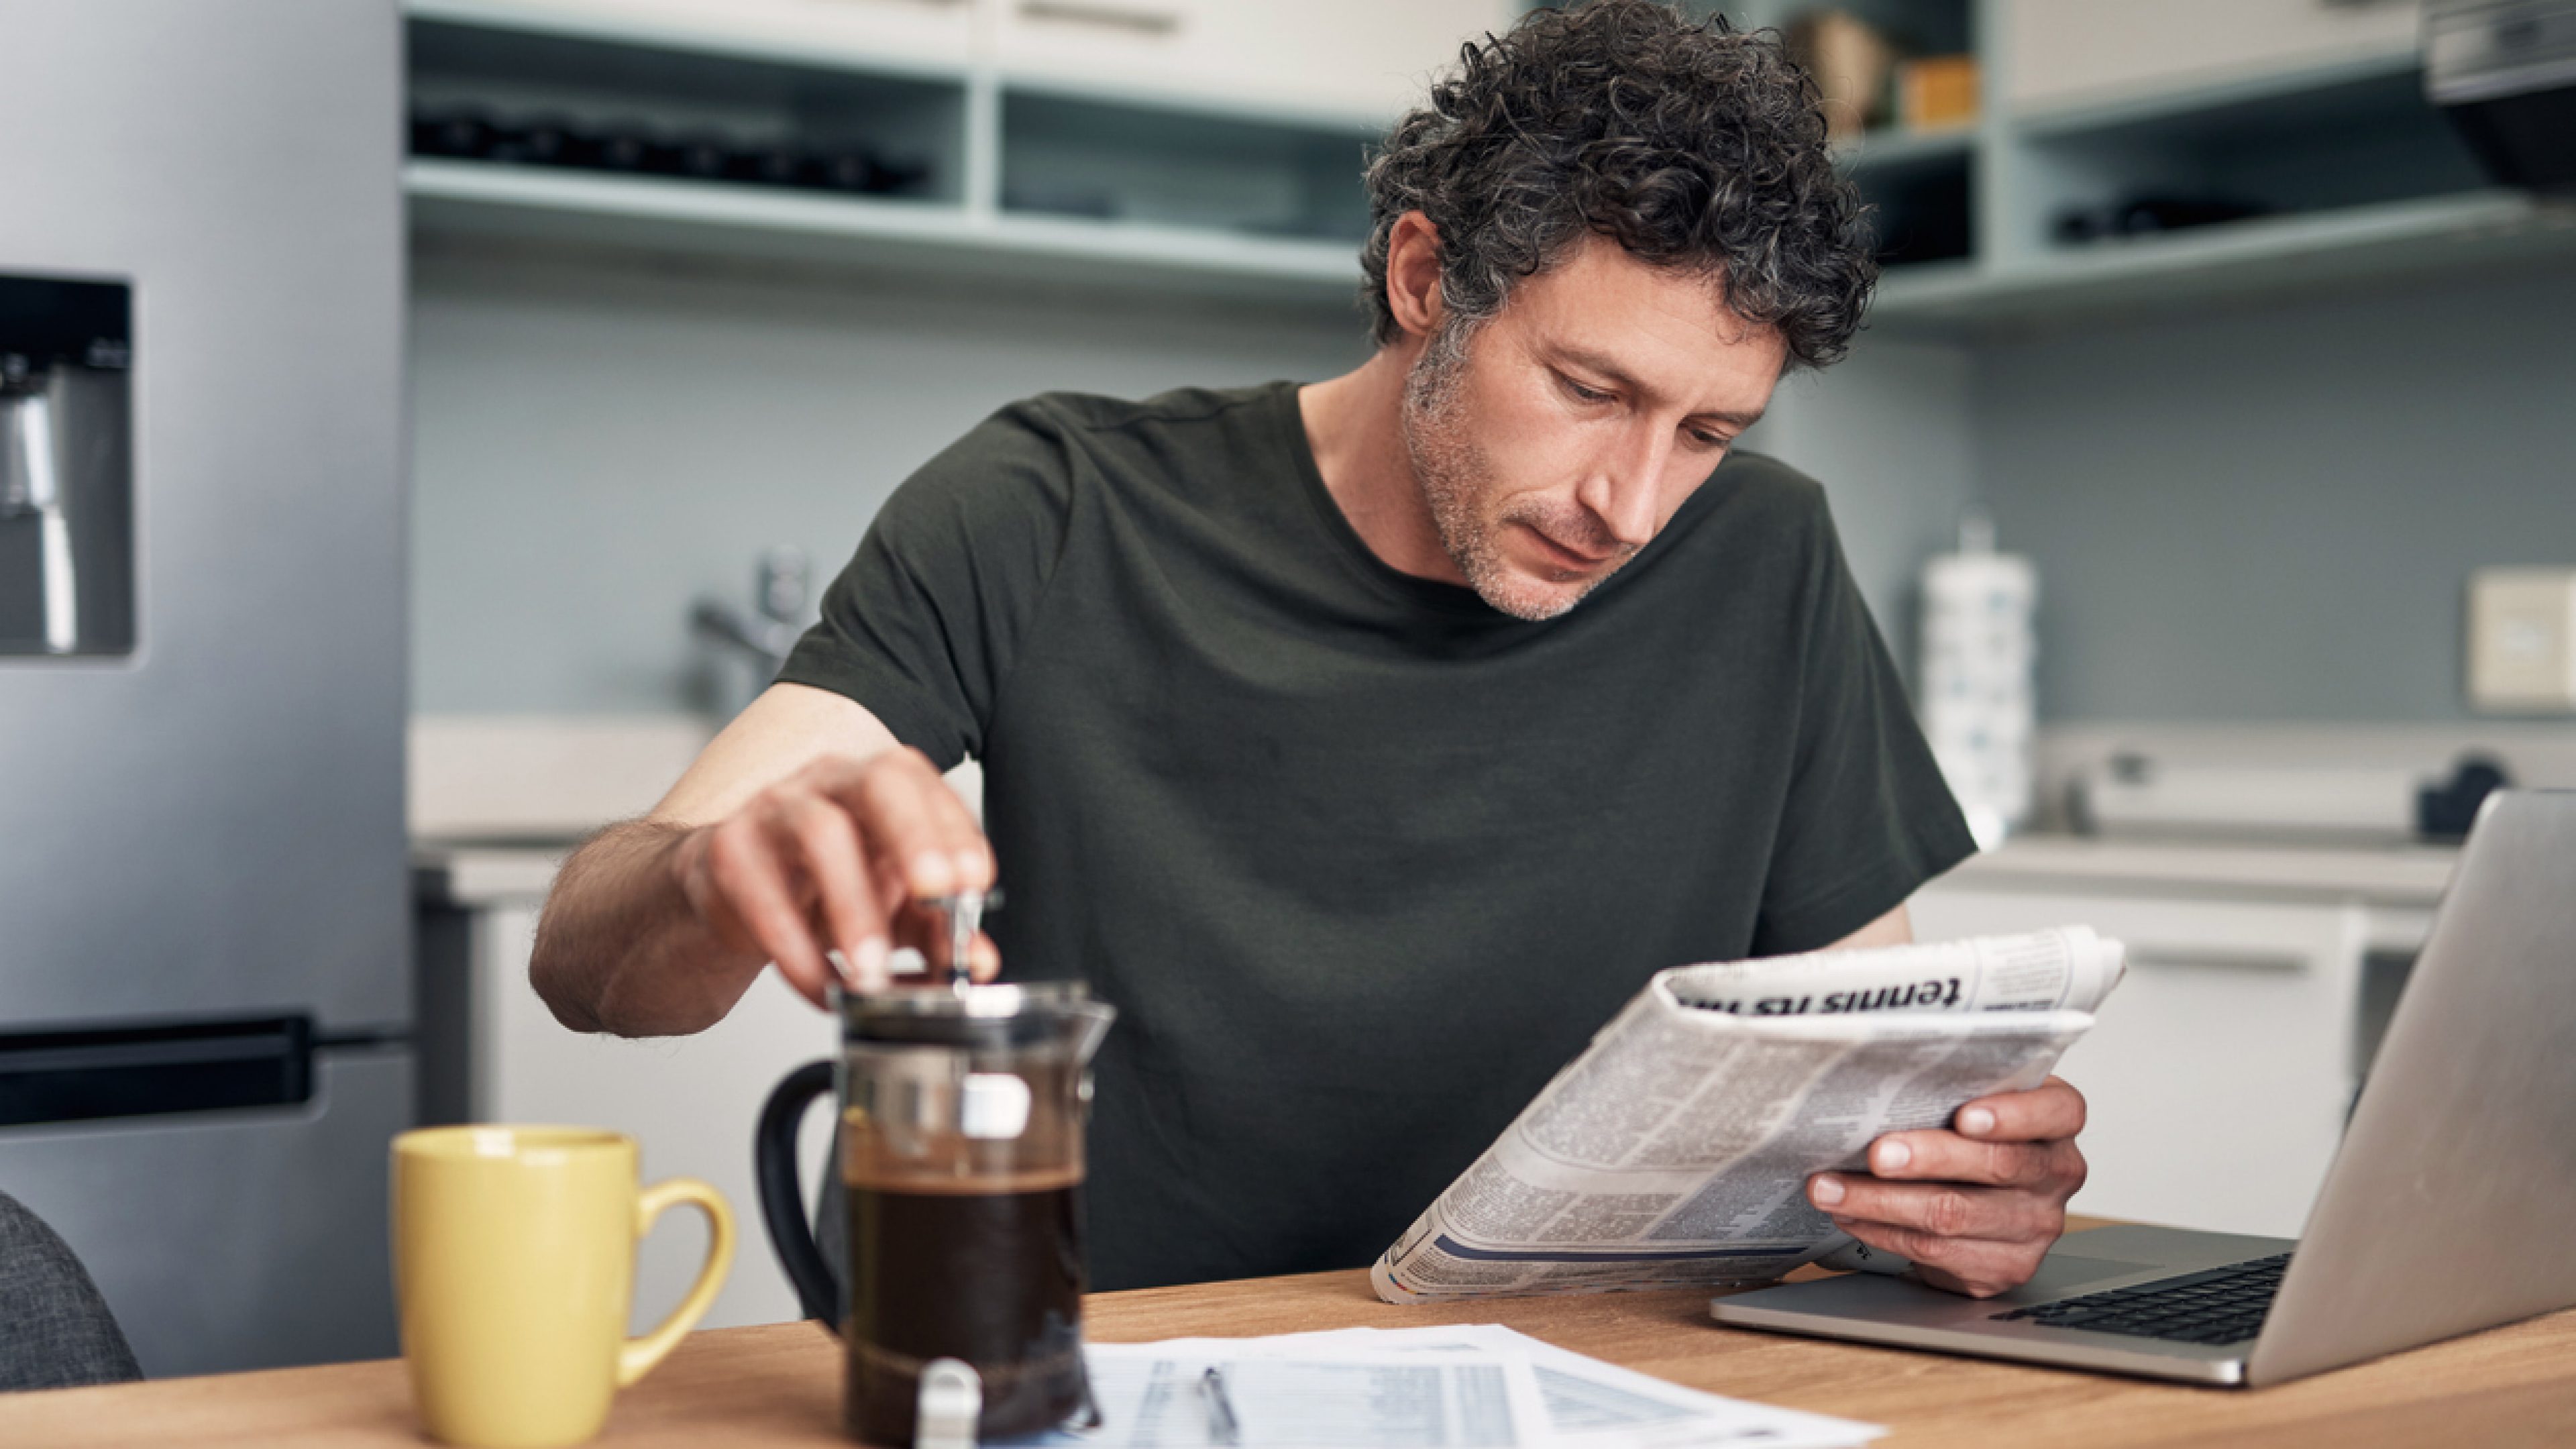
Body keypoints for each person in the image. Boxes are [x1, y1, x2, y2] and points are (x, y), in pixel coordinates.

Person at [531, 0, 2088, 1298]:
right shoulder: (1050, 507)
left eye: (1707, 431)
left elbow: (1864, 1091)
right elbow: (593, 972)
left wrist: (1947, 1199)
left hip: (1582, 1383)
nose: (1634, 502)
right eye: (1592, 390)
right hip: (1110, 1376)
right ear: (1425, 280)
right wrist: (709, 873)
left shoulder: (1763, 557)